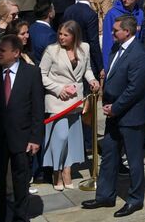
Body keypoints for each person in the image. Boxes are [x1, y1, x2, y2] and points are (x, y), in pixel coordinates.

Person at [83, 14, 145, 215]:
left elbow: (135, 88)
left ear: (127, 32)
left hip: (130, 115)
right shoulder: (115, 49)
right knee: (109, 156)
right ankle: (105, 196)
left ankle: (135, 199)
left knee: (134, 159)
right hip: (114, 113)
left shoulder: (138, 54)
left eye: (115, 30)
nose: (112, 33)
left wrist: (116, 107)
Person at [0, 33, 44, 222]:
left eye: (2, 51)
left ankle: (20, 216)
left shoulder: (31, 73)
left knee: (21, 182)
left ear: (16, 53)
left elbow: (38, 108)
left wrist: (35, 138)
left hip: (22, 138)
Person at [40, 19, 92, 191]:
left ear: (74, 36)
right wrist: (58, 88)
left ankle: (67, 170)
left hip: (75, 100)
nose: (61, 37)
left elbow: (87, 70)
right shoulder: (51, 51)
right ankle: (56, 171)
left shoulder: (84, 48)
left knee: (71, 137)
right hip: (57, 100)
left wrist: (92, 81)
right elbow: (41, 75)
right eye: (60, 34)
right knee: (60, 136)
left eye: (66, 35)